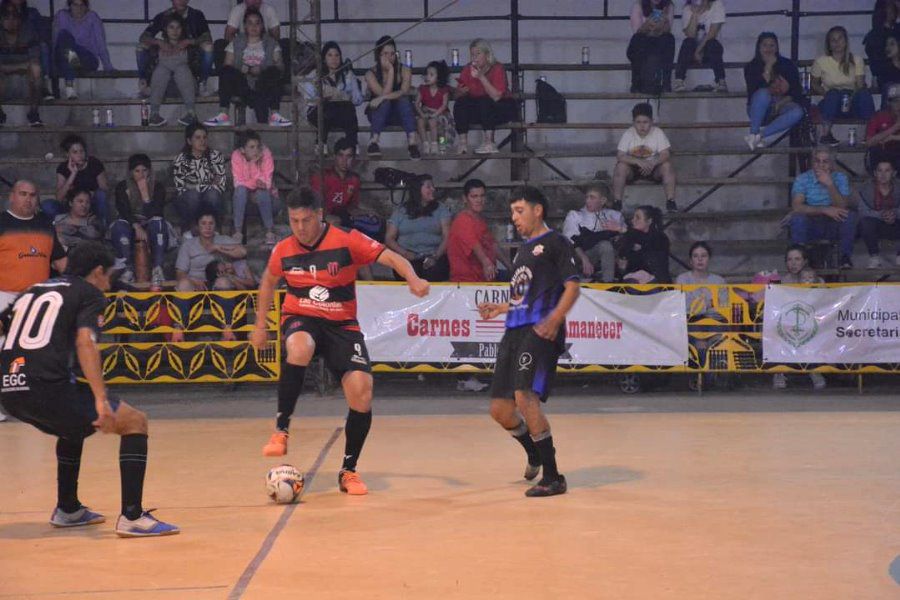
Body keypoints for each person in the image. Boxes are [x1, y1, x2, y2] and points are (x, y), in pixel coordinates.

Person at [250, 187, 429, 496]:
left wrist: (413, 279)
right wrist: (260, 326)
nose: (301, 228)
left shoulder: (347, 240)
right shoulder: (283, 249)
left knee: (362, 392)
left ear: (319, 215)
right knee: (299, 347)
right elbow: (268, 281)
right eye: (294, 221)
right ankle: (281, 429)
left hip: (341, 324)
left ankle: (349, 470)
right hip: (301, 317)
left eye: (306, 220)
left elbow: (391, 257)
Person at [0, 241, 179, 537]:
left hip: (8, 389)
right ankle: (132, 517)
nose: (109, 284)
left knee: (74, 426)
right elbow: (86, 342)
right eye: (109, 276)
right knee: (135, 422)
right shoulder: (88, 293)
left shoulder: (34, 289)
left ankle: (68, 509)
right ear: (97, 272)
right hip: (46, 387)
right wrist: (100, 400)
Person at [477, 186, 579, 497]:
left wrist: (555, 318)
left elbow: (573, 287)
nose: (515, 218)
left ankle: (553, 476)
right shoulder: (523, 250)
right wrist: (502, 308)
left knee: (524, 395)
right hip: (515, 329)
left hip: (540, 330)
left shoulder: (557, 243)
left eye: (519, 211)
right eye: (512, 213)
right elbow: (524, 296)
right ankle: (533, 451)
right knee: (500, 410)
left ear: (538, 210)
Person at [0, 180, 68, 423]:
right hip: (4, 297)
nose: (28, 199)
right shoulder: (2, 223)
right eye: (23, 194)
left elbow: (60, 261)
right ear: (11, 196)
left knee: (36, 354)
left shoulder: (44, 224)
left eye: (33, 195)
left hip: (37, 299)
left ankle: (33, 405)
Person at [204, 8, 290, 128]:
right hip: (243, 83)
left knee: (273, 72)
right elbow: (227, 64)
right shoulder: (236, 42)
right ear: (245, 26)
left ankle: (275, 114)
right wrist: (243, 69)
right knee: (227, 72)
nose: (254, 26)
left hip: (264, 83)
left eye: (257, 22)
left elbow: (280, 66)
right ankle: (223, 114)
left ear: (262, 25)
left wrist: (261, 69)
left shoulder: (271, 43)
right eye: (250, 23)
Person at [172, 210, 250, 343]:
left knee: (223, 282)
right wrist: (193, 281)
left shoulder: (224, 240)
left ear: (215, 226)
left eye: (211, 224)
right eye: (203, 224)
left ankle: (227, 328)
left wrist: (218, 247)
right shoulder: (188, 245)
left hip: (220, 288)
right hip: (195, 289)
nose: (207, 227)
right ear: (197, 226)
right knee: (183, 284)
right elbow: (180, 273)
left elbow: (243, 252)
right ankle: (179, 329)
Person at [787, 147, 856, 269]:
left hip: (833, 223)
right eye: (817, 161)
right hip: (812, 222)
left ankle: (845, 258)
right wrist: (824, 209)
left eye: (825, 161)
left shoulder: (840, 178)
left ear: (832, 163)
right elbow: (797, 206)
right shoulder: (803, 179)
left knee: (849, 216)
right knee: (798, 218)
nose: (821, 165)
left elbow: (842, 206)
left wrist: (830, 184)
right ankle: (800, 260)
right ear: (812, 163)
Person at [111, 154, 171, 290]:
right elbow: (123, 211)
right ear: (131, 172)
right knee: (120, 226)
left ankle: (158, 269)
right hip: (131, 224)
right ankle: (128, 269)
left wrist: (145, 194)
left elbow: (156, 212)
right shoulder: (122, 187)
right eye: (137, 171)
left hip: (151, 224)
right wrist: (136, 226)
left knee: (158, 223)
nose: (141, 174)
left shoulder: (157, 187)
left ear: (149, 171)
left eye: (144, 170)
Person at [772, 244, 826, 391]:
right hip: (789, 322)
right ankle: (780, 371)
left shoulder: (818, 282)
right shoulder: (783, 282)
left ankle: (814, 369)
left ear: (805, 261)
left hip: (813, 321)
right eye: (789, 260)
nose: (793, 263)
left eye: (797, 259)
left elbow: (825, 304)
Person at [811, 26, 876, 146]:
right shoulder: (821, 61)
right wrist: (826, 93)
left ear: (845, 41)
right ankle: (826, 134)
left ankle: (870, 133)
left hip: (852, 99)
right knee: (833, 94)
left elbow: (860, 84)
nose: (837, 43)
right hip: (833, 101)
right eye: (833, 40)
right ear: (829, 44)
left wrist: (850, 99)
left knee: (864, 94)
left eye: (840, 39)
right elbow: (814, 83)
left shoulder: (856, 60)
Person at [137, 0, 213, 98]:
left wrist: (189, 42)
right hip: (167, 54)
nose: (181, 1)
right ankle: (144, 84)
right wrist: (159, 42)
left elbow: (207, 37)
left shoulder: (196, 15)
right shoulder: (164, 16)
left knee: (208, 47)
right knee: (141, 47)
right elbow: (143, 37)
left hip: (190, 57)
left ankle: (202, 84)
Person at [743, 32, 806, 150]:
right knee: (763, 93)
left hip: (781, 106)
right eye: (765, 45)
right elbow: (755, 90)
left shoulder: (787, 64)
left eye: (772, 45)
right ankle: (753, 132)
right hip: (758, 108)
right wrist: (768, 67)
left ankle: (758, 137)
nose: (768, 49)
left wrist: (781, 103)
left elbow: (796, 90)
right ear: (759, 47)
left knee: (798, 112)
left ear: (777, 47)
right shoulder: (751, 67)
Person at [453, 38, 517, 155]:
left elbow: (496, 96)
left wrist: (481, 77)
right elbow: (457, 94)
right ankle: (462, 143)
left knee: (485, 101)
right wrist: (460, 91)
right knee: (461, 103)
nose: (474, 58)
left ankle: (489, 142)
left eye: (478, 54)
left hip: (500, 107)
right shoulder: (468, 69)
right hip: (479, 109)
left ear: (487, 54)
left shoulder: (497, 68)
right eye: (472, 54)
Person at [613, 102, 678, 213]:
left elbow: (665, 154)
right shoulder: (629, 133)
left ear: (651, 122)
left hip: (653, 168)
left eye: (645, 122)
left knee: (667, 166)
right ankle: (617, 202)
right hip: (633, 169)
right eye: (638, 122)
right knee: (620, 167)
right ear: (633, 122)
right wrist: (637, 162)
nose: (642, 126)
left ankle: (670, 201)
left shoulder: (657, 132)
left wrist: (653, 163)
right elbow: (620, 155)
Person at [385, 174, 451, 281]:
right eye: (428, 186)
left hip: (434, 256)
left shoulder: (441, 209)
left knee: (433, 272)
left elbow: (447, 236)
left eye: (433, 186)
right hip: (407, 256)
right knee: (409, 272)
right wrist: (404, 253)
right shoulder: (401, 211)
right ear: (417, 189)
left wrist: (435, 256)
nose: (433, 189)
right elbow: (389, 238)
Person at [302, 41, 364, 150]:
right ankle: (321, 144)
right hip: (318, 112)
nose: (334, 59)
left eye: (337, 55)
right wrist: (323, 97)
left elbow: (358, 99)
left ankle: (352, 143)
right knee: (327, 107)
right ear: (324, 58)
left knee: (348, 108)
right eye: (330, 55)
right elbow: (309, 99)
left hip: (340, 112)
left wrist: (342, 95)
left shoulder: (347, 75)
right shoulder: (315, 74)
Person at [365, 36, 419, 159]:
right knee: (385, 102)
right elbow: (383, 95)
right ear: (378, 55)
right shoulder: (370, 74)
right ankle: (373, 142)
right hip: (379, 114)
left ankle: (412, 144)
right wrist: (390, 71)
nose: (389, 57)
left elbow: (404, 91)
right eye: (385, 54)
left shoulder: (405, 69)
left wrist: (382, 98)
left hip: (400, 114)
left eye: (392, 54)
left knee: (403, 100)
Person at [448, 178, 512, 282]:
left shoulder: (479, 220)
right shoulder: (462, 220)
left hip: (487, 276)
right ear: (465, 198)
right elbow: (474, 245)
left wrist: (511, 267)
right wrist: (486, 263)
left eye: (482, 196)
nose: (479, 200)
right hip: (468, 282)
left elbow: (493, 245)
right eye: (474, 196)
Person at [562, 182, 626, 283]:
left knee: (606, 245)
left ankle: (608, 283)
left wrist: (618, 229)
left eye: (592, 198)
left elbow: (626, 237)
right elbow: (569, 241)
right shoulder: (575, 215)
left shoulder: (614, 216)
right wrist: (584, 259)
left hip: (607, 257)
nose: (588, 201)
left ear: (603, 200)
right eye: (587, 197)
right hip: (579, 255)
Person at [172, 123, 226, 235]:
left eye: (204, 137)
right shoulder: (180, 159)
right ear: (189, 141)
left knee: (212, 195)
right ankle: (190, 229)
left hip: (209, 195)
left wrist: (195, 185)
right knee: (193, 195)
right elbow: (181, 187)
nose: (202, 141)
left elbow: (220, 184)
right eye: (198, 138)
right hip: (188, 198)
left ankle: (215, 228)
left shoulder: (216, 156)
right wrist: (207, 184)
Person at [51, 0, 112, 100]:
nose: (79, 9)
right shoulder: (62, 16)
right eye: (75, 5)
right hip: (66, 58)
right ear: (70, 5)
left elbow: (101, 43)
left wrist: (108, 67)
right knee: (64, 37)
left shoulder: (92, 18)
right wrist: (53, 71)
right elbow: (55, 43)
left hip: (86, 59)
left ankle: (69, 85)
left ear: (86, 6)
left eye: (82, 5)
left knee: (68, 49)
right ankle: (70, 84)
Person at [145, 13, 196, 127]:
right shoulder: (158, 46)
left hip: (187, 87)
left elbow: (203, 40)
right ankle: (154, 114)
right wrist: (158, 42)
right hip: (163, 88)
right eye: (171, 27)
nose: (175, 31)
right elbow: (143, 39)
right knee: (161, 70)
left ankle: (191, 113)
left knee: (182, 69)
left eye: (178, 27)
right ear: (165, 29)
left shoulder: (188, 46)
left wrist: (189, 41)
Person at [231, 129, 279, 245]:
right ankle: (238, 232)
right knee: (241, 191)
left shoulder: (266, 154)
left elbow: (266, 183)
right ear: (242, 149)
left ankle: (269, 231)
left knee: (261, 192)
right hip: (244, 202)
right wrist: (252, 164)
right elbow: (238, 182)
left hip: (269, 202)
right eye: (251, 147)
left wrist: (253, 184)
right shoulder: (236, 156)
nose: (256, 150)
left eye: (257, 146)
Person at [0, 2, 43, 126]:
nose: (11, 20)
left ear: (20, 20)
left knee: (36, 69)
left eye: (14, 16)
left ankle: (33, 114)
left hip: (25, 83)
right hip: (4, 84)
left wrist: (6, 68)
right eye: (6, 16)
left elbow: (35, 61)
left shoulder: (28, 33)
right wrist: (21, 66)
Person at [52, 135, 108, 226]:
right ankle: (58, 231)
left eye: (82, 151)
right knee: (48, 205)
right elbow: (59, 197)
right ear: (67, 154)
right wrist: (73, 174)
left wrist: (89, 195)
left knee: (101, 195)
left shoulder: (94, 163)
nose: (80, 155)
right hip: (72, 205)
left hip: (90, 204)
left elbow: (104, 188)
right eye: (75, 152)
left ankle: (102, 228)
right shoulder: (63, 168)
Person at [673, 0, 727, 93]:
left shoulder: (717, 5)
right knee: (687, 43)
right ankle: (679, 81)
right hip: (692, 52)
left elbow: (712, 33)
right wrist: (695, 14)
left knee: (713, 44)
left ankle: (721, 81)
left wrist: (698, 50)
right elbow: (690, 34)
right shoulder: (687, 8)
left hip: (709, 51)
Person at [856, 159, 900, 268]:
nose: (883, 174)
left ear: (894, 173)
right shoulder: (866, 188)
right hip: (875, 226)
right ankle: (874, 257)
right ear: (875, 173)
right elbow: (862, 212)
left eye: (887, 171)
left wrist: (894, 214)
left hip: (896, 224)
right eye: (880, 171)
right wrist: (881, 215)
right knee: (865, 222)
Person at [626, 0, 676, 94]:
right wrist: (648, 24)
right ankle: (636, 84)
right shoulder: (638, 6)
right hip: (642, 42)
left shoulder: (668, 6)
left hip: (659, 42)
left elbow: (667, 30)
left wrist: (664, 20)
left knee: (669, 39)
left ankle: (666, 83)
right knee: (639, 40)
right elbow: (637, 31)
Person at [6, 0, 52, 99]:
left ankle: (43, 85)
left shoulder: (32, 13)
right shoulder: (3, 12)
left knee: (42, 47)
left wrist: (30, 40)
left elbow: (42, 33)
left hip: (29, 45)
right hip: (7, 48)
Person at [614, 205, 672, 283]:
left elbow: (647, 242)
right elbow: (623, 258)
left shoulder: (660, 238)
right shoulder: (629, 237)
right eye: (633, 217)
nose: (633, 220)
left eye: (637, 218)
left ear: (649, 221)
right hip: (632, 279)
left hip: (656, 281)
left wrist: (624, 230)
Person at [675, 241, 727, 314]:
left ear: (709, 259)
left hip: (715, 323)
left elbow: (723, 308)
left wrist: (697, 307)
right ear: (691, 261)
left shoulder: (719, 281)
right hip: (689, 323)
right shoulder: (682, 279)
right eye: (695, 256)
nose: (700, 259)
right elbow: (684, 306)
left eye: (704, 256)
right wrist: (711, 303)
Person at [415, 60, 451, 155]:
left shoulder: (443, 90)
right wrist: (422, 114)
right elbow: (416, 104)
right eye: (427, 74)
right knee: (420, 121)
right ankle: (425, 144)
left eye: (431, 75)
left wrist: (435, 114)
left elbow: (444, 105)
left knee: (434, 122)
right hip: (426, 113)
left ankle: (438, 144)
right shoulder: (422, 89)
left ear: (439, 77)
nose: (427, 77)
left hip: (441, 113)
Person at [864, 0, 900, 85]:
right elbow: (877, 67)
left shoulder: (897, 30)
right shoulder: (874, 36)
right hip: (888, 79)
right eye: (889, 7)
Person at [866, 82, 900, 171]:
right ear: (889, 103)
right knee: (874, 151)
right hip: (883, 153)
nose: (899, 105)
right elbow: (869, 142)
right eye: (896, 101)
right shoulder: (879, 116)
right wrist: (895, 128)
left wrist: (893, 137)